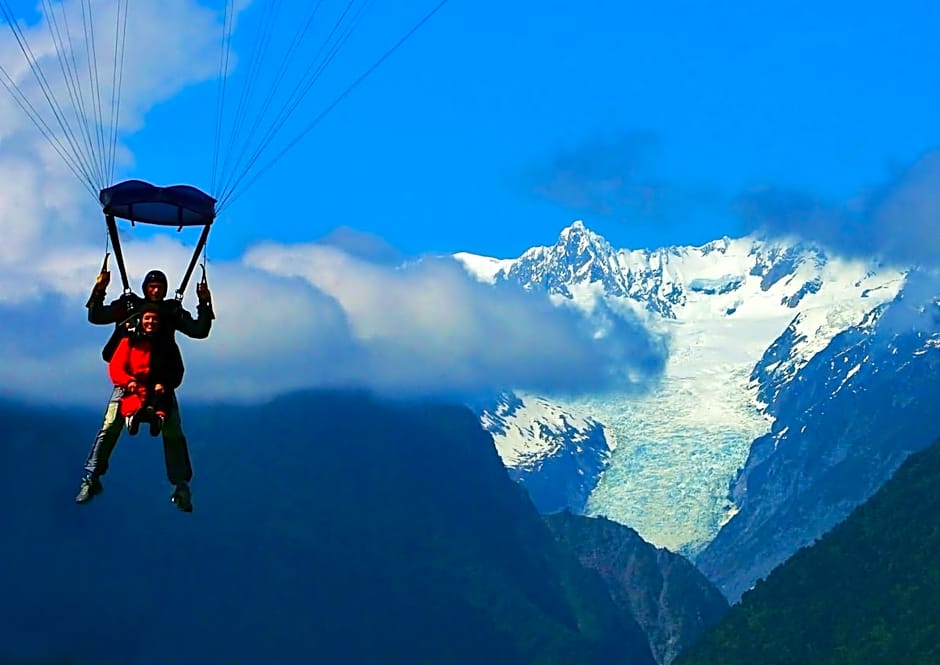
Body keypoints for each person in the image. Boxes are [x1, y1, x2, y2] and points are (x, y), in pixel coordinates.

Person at [75, 268, 214, 512]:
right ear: (145, 289)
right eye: (152, 287)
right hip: (129, 381)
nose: (156, 291)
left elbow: (199, 330)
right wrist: (100, 287)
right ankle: (91, 478)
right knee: (109, 427)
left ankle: (181, 485)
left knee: (173, 431)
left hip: (161, 381)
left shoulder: (171, 312)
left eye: (160, 287)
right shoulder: (129, 306)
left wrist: (204, 301)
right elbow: (96, 316)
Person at [108, 306, 183, 437]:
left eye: (154, 319)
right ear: (140, 321)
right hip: (134, 386)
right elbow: (116, 366)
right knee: (130, 402)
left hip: (158, 389)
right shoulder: (129, 342)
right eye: (147, 318)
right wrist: (128, 381)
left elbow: (177, 369)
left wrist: (164, 383)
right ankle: (132, 419)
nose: (151, 322)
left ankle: (158, 421)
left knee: (162, 403)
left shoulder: (168, 345)